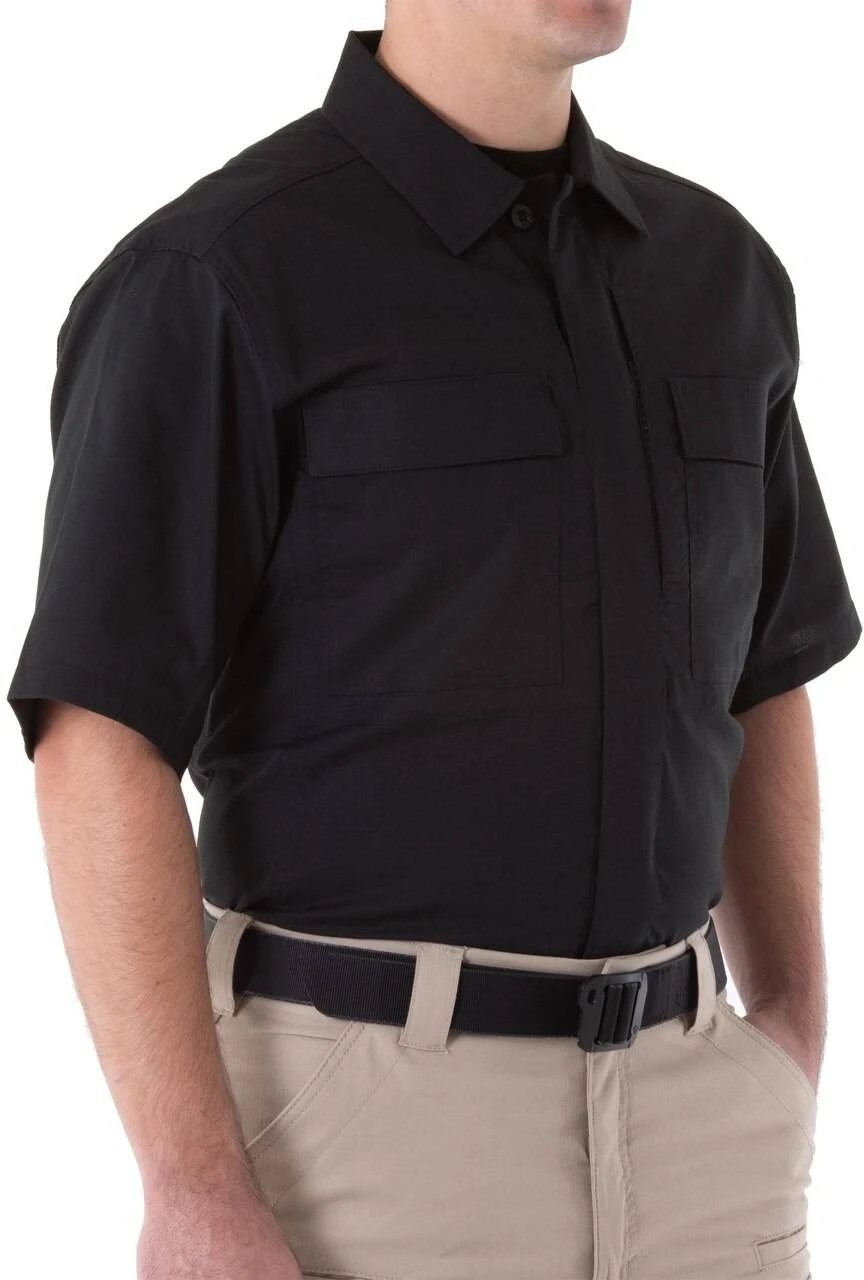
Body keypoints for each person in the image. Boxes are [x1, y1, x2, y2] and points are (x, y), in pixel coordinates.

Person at [7, 3, 860, 1277]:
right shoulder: (220, 275)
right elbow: (98, 738)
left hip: (706, 1144)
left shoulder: (720, 271)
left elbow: (765, 665)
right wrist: (191, 1187)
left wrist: (790, 1023)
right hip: (364, 1151)